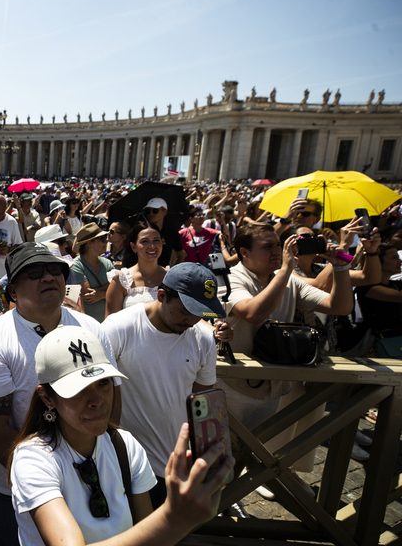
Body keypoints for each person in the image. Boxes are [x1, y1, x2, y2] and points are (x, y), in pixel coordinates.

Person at [8, 325, 233, 546]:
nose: (96, 400)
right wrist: (173, 518)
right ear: (47, 398)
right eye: (77, 389)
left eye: (103, 383)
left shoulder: (125, 445)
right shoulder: (33, 458)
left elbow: (146, 532)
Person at [0, 242, 118, 546]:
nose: (48, 278)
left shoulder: (92, 329)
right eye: (34, 273)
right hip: (12, 488)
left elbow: (111, 402)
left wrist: (82, 472)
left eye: (55, 271)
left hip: (88, 479)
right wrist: (45, 478)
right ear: (12, 291)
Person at [102, 263, 230, 506]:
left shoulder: (203, 339)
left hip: (177, 470)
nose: (192, 320)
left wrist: (208, 462)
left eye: (200, 313)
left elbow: (202, 406)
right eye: (185, 311)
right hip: (125, 468)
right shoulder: (118, 328)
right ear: (161, 295)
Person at [216, 223, 353, 430]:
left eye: (278, 245)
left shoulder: (289, 281)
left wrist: (340, 267)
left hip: (273, 386)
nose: (277, 251)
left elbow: (339, 307)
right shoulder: (228, 279)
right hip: (232, 387)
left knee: (257, 457)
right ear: (244, 252)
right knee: (220, 454)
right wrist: (286, 269)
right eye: (267, 247)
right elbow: (253, 313)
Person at [105, 221, 167, 316]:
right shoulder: (121, 280)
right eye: (145, 241)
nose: (152, 246)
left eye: (156, 240)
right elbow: (110, 326)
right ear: (134, 247)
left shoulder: (171, 278)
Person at [70, 223, 114, 322]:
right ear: (89, 243)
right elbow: (88, 294)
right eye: (102, 239)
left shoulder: (107, 263)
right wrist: (108, 289)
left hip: (109, 321)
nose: (106, 240)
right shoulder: (76, 265)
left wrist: (101, 294)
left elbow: (117, 290)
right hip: (90, 323)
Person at [143, 197, 186, 266]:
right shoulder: (140, 232)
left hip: (163, 274)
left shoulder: (172, 233)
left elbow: (180, 256)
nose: (151, 214)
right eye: (148, 211)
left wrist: (172, 273)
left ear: (165, 212)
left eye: (155, 211)